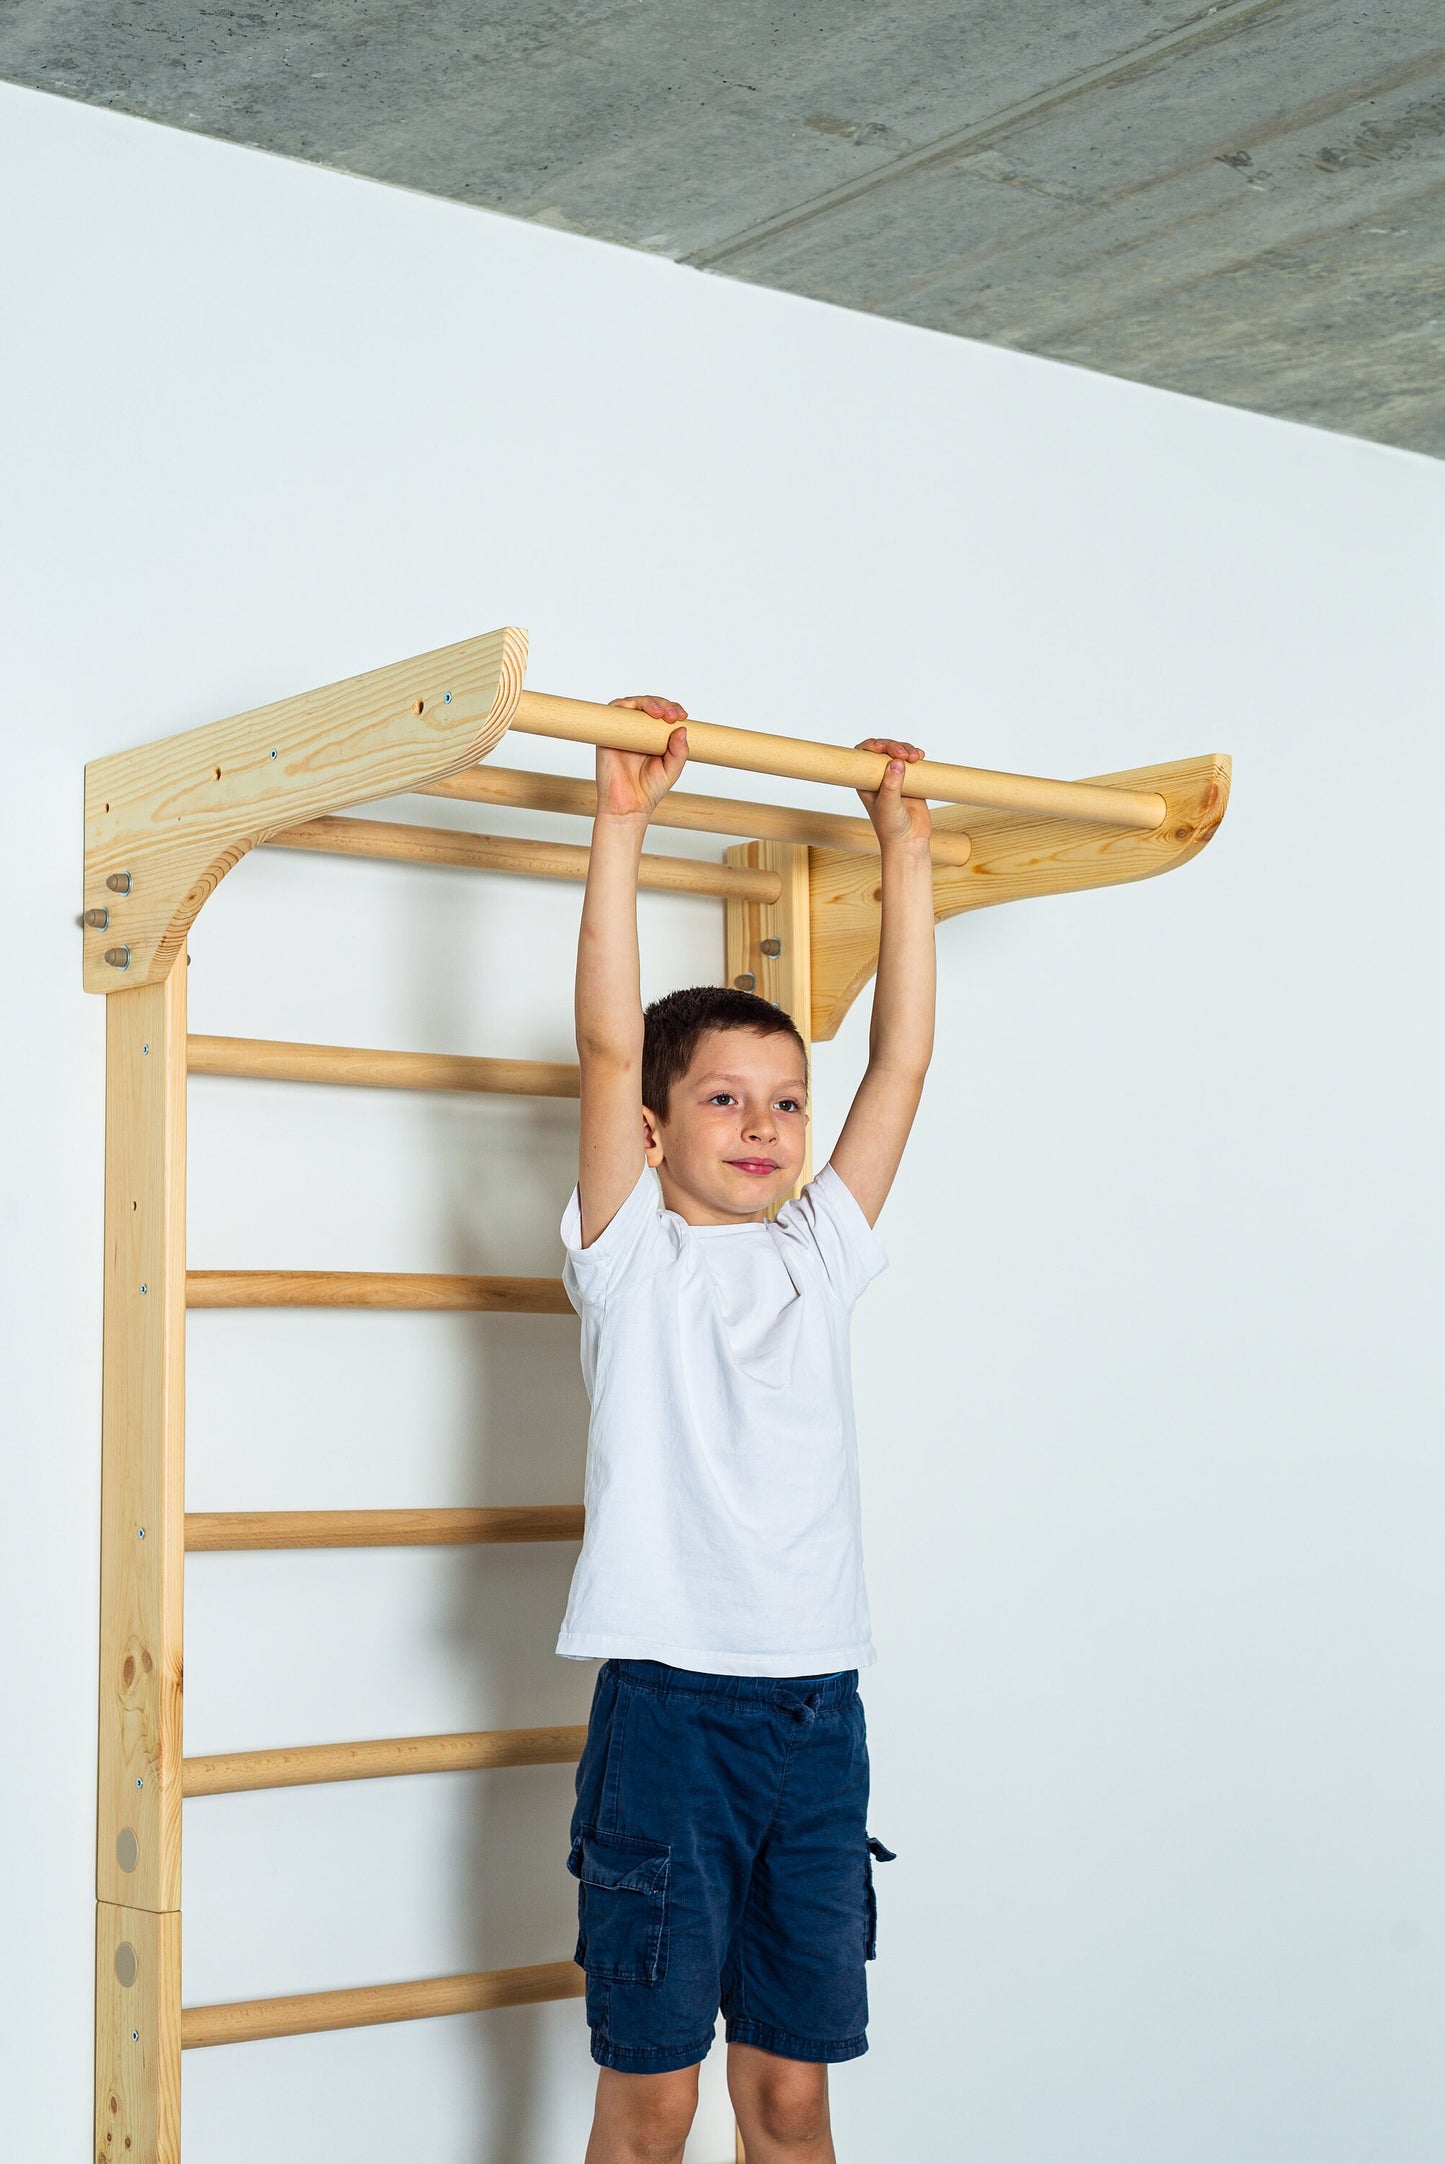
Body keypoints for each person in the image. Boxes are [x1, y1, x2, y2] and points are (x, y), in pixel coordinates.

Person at [558, 692, 937, 2164]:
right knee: (652, 2104)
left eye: (783, 1099)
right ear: (655, 1130)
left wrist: (901, 849)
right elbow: (603, 1044)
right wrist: (622, 825)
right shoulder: (630, 1257)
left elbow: (898, 1064)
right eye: (721, 1097)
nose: (764, 1122)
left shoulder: (818, 1251)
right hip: (672, 1719)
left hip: (814, 1718)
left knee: (789, 2097)